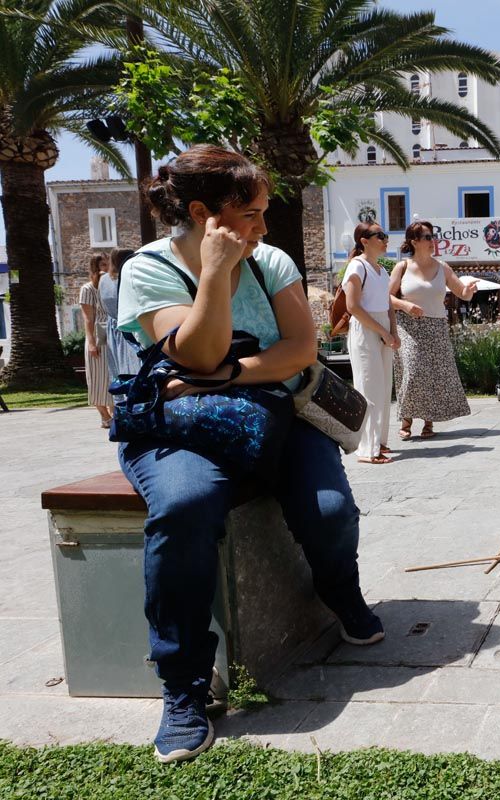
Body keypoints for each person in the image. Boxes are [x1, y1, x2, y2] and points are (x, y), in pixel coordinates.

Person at [116, 145, 383, 764]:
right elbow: (193, 354)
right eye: (252, 214)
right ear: (204, 212)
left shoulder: (270, 261)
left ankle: (340, 592)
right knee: (185, 506)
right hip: (179, 429)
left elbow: (298, 350)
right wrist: (212, 273)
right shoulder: (148, 270)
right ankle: (183, 685)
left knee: (329, 509)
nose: (264, 228)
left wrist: (231, 372)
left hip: (280, 415)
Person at [388, 220, 477, 439]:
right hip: (409, 326)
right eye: (427, 237)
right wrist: (404, 305)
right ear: (414, 241)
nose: (432, 241)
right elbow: (386, 297)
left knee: (434, 374)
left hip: (436, 326)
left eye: (433, 237)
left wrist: (469, 291)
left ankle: (429, 422)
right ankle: (407, 418)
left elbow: (462, 293)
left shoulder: (442, 267)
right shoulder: (402, 267)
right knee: (413, 370)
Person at [343, 221, 398, 464]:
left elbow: (388, 305)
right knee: (368, 388)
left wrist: (392, 332)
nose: (385, 239)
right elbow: (353, 307)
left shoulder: (382, 270)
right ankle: (367, 448)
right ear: (364, 241)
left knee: (384, 387)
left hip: (382, 327)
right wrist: (383, 332)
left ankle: (379, 442)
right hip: (365, 329)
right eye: (380, 235)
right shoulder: (357, 267)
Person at [79, 253, 113, 427]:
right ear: (95, 267)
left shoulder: (111, 286)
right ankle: (105, 416)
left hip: (112, 336)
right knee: (97, 378)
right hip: (96, 337)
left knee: (112, 376)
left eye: (107, 264)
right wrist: (91, 342)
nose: (106, 269)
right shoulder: (87, 289)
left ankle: (114, 414)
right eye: (102, 265)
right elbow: (88, 319)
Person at [101, 248, 142, 380]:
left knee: (118, 367)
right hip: (131, 325)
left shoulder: (103, 280)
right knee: (134, 366)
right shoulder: (131, 276)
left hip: (113, 327)